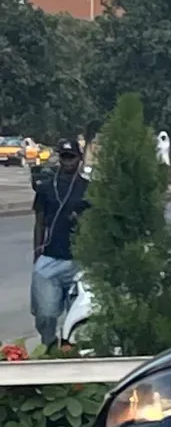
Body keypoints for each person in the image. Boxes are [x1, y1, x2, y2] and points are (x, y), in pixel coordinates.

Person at [31, 140, 90, 349]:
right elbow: (39, 221)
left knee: (76, 317)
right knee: (45, 314)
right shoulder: (46, 188)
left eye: (71, 157)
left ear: (79, 159)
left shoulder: (88, 189)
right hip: (50, 257)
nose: (67, 161)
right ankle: (48, 345)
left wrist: (81, 221)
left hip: (79, 261)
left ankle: (68, 351)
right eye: (64, 156)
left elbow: (96, 222)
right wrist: (37, 252)